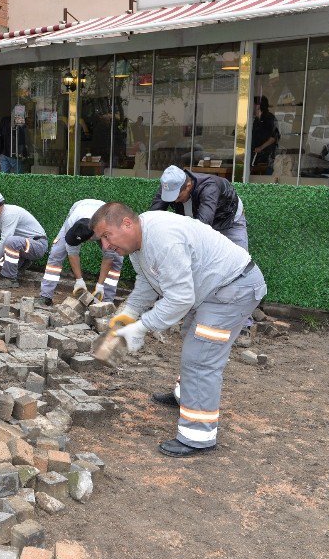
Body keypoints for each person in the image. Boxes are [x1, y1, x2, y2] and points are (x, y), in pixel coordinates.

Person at [91, 202, 267, 458]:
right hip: (211, 290)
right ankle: (187, 395)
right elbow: (147, 282)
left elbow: (180, 299)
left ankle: (198, 437)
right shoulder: (138, 242)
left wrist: (142, 327)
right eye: (101, 240)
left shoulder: (163, 240)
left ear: (127, 224)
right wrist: (129, 313)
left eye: (107, 236)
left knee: (201, 358)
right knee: (192, 339)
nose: (106, 246)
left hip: (233, 290)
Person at [39, 199, 124, 307]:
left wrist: (100, 285)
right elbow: (72, 251)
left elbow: (109, 256)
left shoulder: (107, 227)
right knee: (56, 252)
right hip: (79, 207)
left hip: (102, 212)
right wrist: (79, 280)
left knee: (116, 258)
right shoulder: (72, 225)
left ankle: (107, 302)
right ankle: (45, 296)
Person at [151, 165, 248, 250]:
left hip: (228, 217)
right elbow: (153, 216)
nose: (174, 200)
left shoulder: (209, 188)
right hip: (198, 217)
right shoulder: (170, 185)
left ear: (188, 186)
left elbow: (202, 226)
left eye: (177, 196)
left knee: (240, 260)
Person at [251, 96, 280, 174]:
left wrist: (261, 147)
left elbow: (274, 136)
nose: (250, 106)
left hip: (265, 157)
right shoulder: (256, 120)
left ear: (258, 106)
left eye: (252, 104)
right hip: (255, 156)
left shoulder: (269, 118)